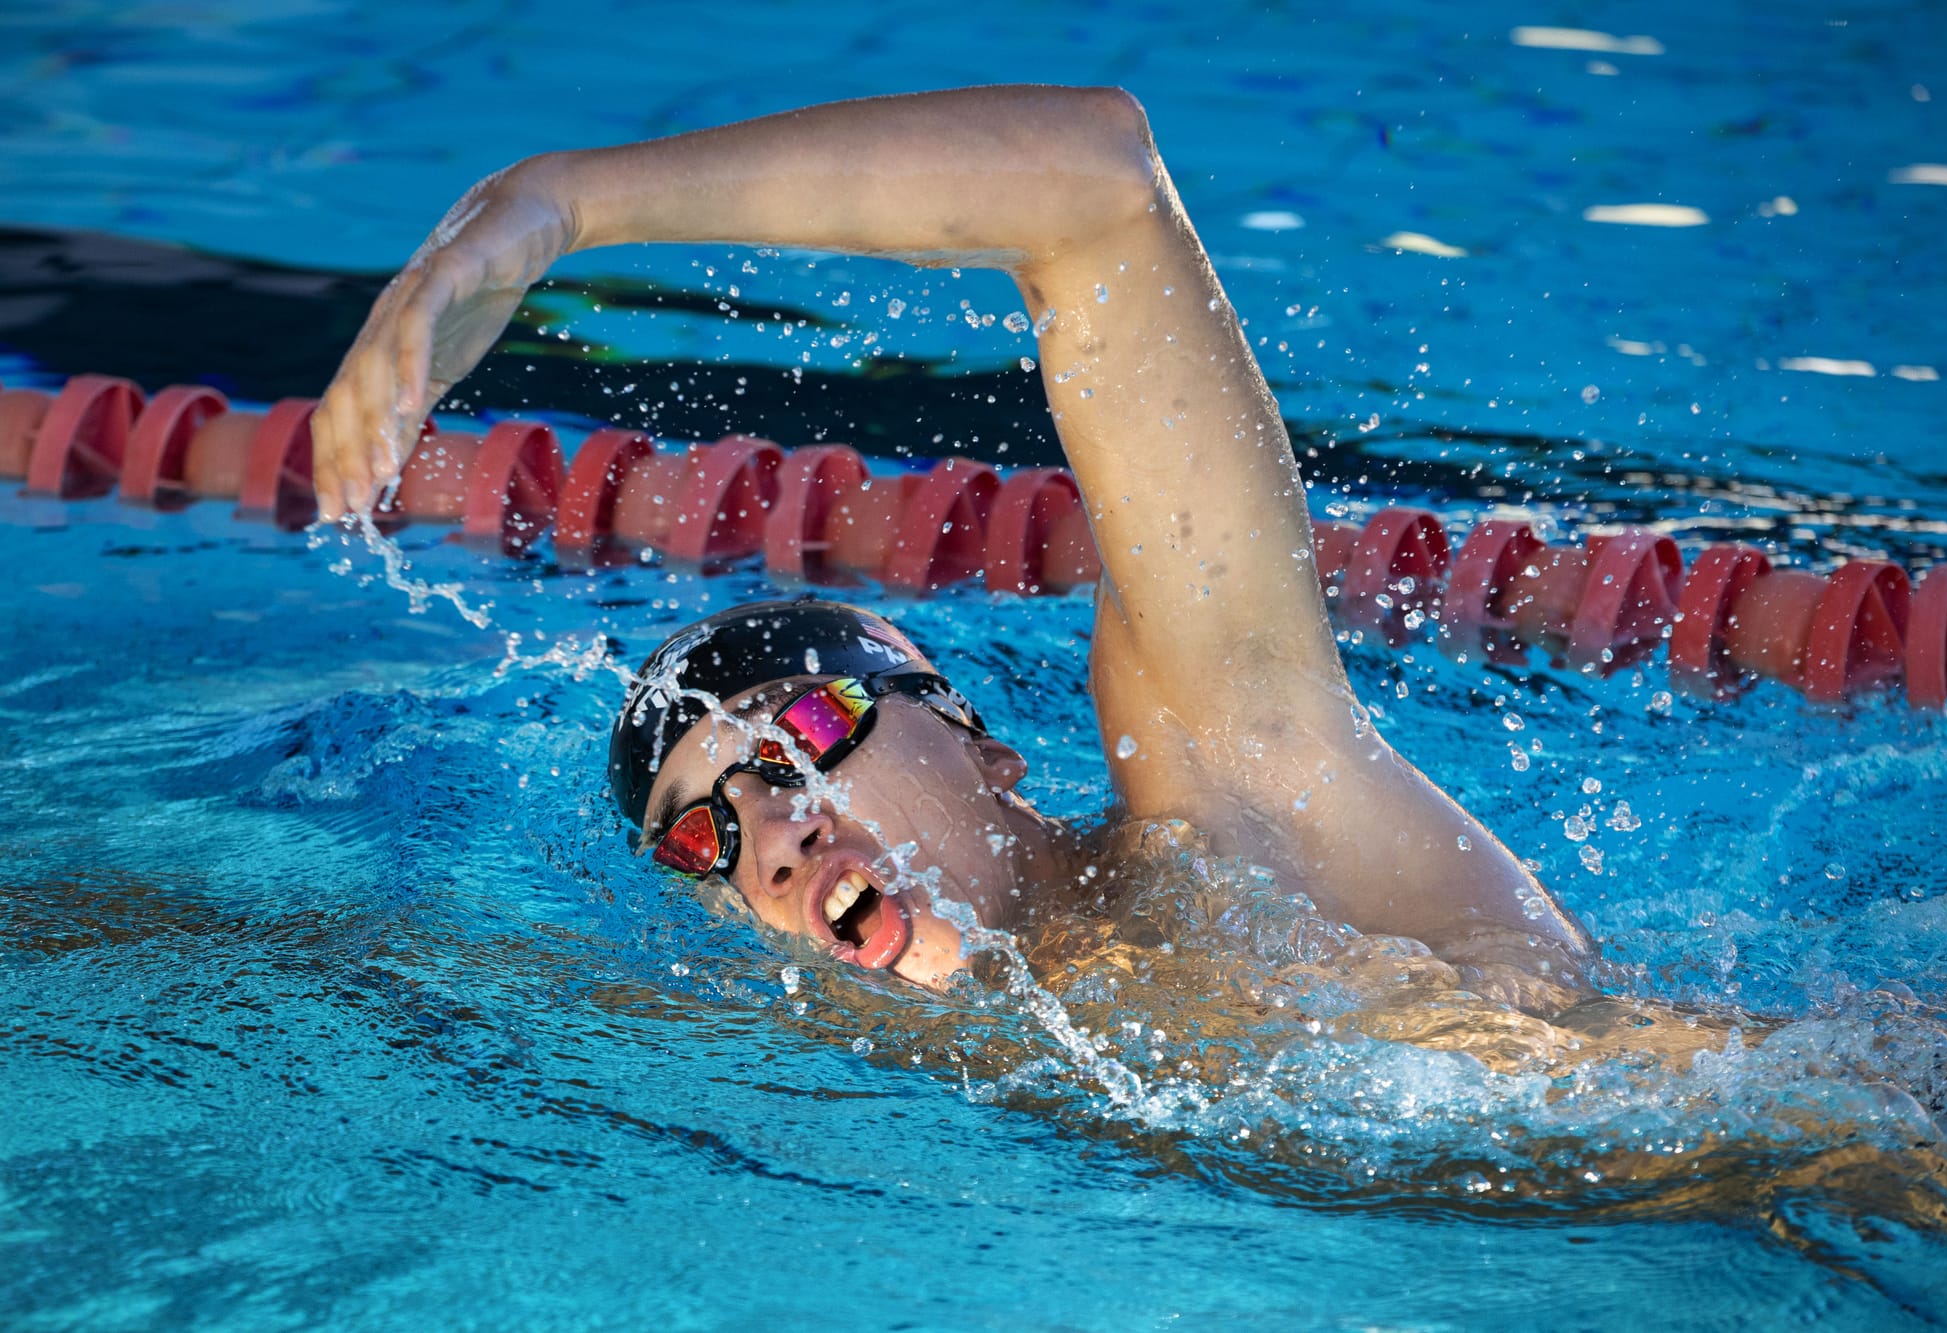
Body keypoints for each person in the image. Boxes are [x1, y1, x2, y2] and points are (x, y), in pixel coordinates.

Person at [305, 84, 1610, 1006]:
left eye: (807, 727)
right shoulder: (947, 1100)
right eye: (703, 835)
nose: (772, 821)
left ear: (985, 746)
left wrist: (556, 207)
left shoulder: (1242, 806)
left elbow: (1099, 192)